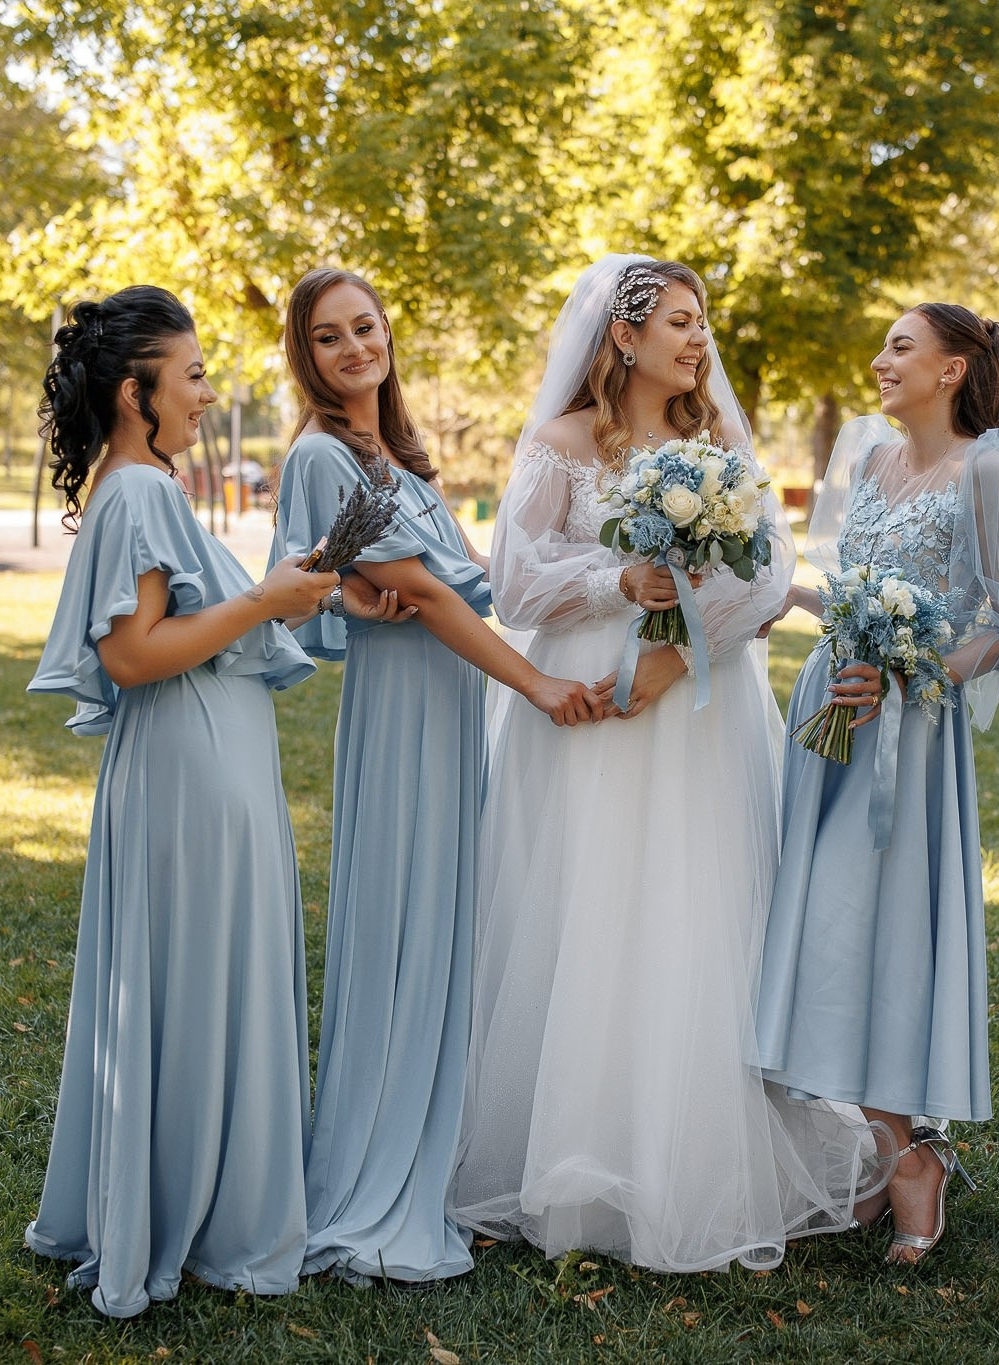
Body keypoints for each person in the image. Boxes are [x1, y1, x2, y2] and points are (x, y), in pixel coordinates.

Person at [451, 255, 884, 1272]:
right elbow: (513, 584)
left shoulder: (720, 443)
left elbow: (768, 575)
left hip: (693, 705)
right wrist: (621, 579)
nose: (698, 342)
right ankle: (571, 1157)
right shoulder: (559, 446)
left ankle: (694, 1159)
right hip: (585, 707)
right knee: (588, 905)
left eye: (702, 323)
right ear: (624, 337)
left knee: (692, 905)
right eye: (679, 323)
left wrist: (675, 656)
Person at [270, 268, 598, 1287]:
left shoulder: (399, 461)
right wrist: (538, 685)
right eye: (329, 338)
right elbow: (418, 591)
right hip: (404, 712)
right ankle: (373, 1179)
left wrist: (604, 570)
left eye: (365, 327)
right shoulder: (322, 457)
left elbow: (480, 579)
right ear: (306, 357)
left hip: (449, 708)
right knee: (397, 921)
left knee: (443, 922)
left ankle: (430, 1148)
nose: (354, 348)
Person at [24, 285, 343, 1316]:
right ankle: (209, 1220)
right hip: (190, 771)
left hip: (197, 763)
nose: (209, 393)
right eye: (193, 374)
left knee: (194, 983)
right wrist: (265, 598)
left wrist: (279, 593)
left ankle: (184, 1202)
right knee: (203, 981)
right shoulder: (141, 494)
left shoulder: (141, 485)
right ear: (134, 392)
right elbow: (130, 655)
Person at [753, 302, 999, 1264]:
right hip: (831, 711)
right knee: (825, 927)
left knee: (883, 926)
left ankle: (914, 1152)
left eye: (900, 345)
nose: (880, 360)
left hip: (913, 730)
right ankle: (885, 1149)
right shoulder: (869, 457)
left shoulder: (991, 471)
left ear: (954, 369)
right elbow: (846, 584)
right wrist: (783, 597)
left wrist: (909, 674)